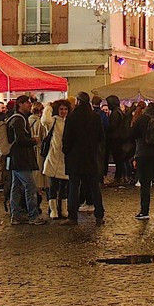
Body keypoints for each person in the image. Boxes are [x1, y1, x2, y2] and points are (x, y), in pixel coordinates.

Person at [62, 93, 105, 224]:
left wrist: (66, 151)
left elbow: (66, 139)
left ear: (78, 102)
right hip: (91, 157)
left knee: (74, 188)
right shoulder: (95, 117)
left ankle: (72, 216)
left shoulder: (72, 117)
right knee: (94, 187)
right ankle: (99, 215)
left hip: (75, 158)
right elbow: (101, 137)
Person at [4, 95, 45, 225]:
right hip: (21, 158)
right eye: (27, 103)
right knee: (30, 186)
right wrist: (33, 140)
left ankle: (15, 215)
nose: (29, 105)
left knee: (16, 187)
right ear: (20, 104)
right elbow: (20, 139)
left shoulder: (15, 118)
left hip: (15, 158)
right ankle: (33, 215)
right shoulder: (19, 120)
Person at [40, 99, 71, 220]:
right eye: (61, 109)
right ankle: (53, 209)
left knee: (64, 185)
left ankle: (63, 208)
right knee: (52, 185)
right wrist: (48, 107)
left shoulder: (69, 122)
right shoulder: (53, 121)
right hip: (53, 156)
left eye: (65, 109)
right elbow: (45, 120)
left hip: (65, 158)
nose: (63, 111)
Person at [105, 95, 129, 186]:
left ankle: (118, 178)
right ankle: (121, 177)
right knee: (119, 160)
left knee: (118, 160)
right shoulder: (119, 112)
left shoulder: (115, 113)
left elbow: (112, 127)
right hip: (119, 139)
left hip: (115, 139)